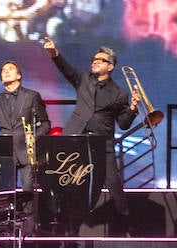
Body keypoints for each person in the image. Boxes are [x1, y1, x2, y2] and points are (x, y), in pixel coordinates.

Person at [44, 39, 139, 231]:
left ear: (110, 66)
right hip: (75, 137)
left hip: (102, 142)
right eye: (94, 59)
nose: (95, 62)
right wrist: (54, 52)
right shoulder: (83, 78)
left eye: (100, 60)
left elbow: (123, 123)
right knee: (64, 176)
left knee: (113, 181)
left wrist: (133, 108)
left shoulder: (120, 94)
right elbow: (66, 69)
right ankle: (60, 218)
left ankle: (124, 219)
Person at [0, 60, 49, 230]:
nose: (6, 72)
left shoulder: (32, 96)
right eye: (3, 70)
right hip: (6, 152)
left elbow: (45, 123)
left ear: (19, 75)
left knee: (28, 192)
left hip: (27, 151)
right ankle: (5, 229)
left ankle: (29, 231)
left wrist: (34, 137)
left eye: (10, 69)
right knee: (4, 194)